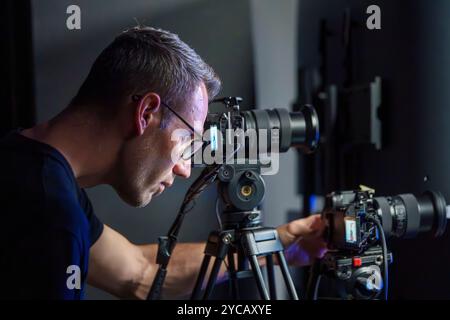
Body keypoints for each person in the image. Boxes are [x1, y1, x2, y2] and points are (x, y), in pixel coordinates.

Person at [0, 26, 327, 299]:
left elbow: (139, 273)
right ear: (145, 113)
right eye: (185, 141)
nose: (185, 168)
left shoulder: (35, 171)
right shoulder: (50, 215)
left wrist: (282, 245)